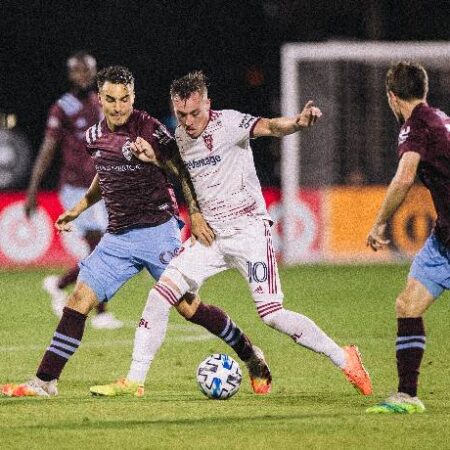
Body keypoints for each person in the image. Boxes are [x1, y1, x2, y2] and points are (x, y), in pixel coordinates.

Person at [95, 70, 373, 397]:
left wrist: (297, 122)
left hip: (249, 233)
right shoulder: (181, 138)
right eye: (181, 114)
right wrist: (155, 159)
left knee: (272, 315)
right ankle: (134, 380)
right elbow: (180, 173)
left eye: (195, 113)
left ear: (207, 104)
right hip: (209, 238)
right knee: (159, 295)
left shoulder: (229, 123)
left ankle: (344, 357)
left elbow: (270, 126)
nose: (188, 121)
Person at [1, 65, 271, 398]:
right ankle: (44, 382)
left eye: (125, 99)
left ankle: (250, 354)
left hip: (159, 231)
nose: (118, 106)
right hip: (118, 237)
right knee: (79, 299)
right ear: (100, 99)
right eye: (111, 100)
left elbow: (181, 170)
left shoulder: (150, 129)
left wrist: (195, 212)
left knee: (189, 308)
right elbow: (105, 175)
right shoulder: (93, 136)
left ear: (133, 97)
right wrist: (79, 208)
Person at [366, 61, 450, 414]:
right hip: (444, 237)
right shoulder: (439, 118)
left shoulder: (416, 125)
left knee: (408, 306)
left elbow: (403, 178)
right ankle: (407, 396)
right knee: (407, 306)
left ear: (392, 97)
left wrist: (379, 223)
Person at [24, 51, 122, 330]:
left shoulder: (100, 104)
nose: (84, 76)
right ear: (70, 75)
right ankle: (101, 312)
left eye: (88, 71)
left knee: (104, 248)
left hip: (98, 186)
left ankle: (59, 283)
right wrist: (32, 191)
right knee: (100, 246)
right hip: (73, 188)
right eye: (78, 71)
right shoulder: (62, 108)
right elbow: (47, 150)